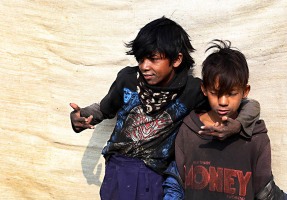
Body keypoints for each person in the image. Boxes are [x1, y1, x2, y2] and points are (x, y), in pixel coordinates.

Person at [69, 17, 260, 200]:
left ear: (176, 60)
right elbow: (104, 108)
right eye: (140, 59)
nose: (144, 66)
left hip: (154, 176)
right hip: (118, 169)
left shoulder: (192, 90)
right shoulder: (127, 79)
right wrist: (81, 117)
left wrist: (238, 125)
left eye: (153, 59)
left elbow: (249, 104)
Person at [163, 39, 287, 200]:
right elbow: (176, 182)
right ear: (204, 89)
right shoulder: (189, 131)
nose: (223, 101)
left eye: (231, 94)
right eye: (216, 93)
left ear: (245, 91)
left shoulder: (256, 138)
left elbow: (264, 190)